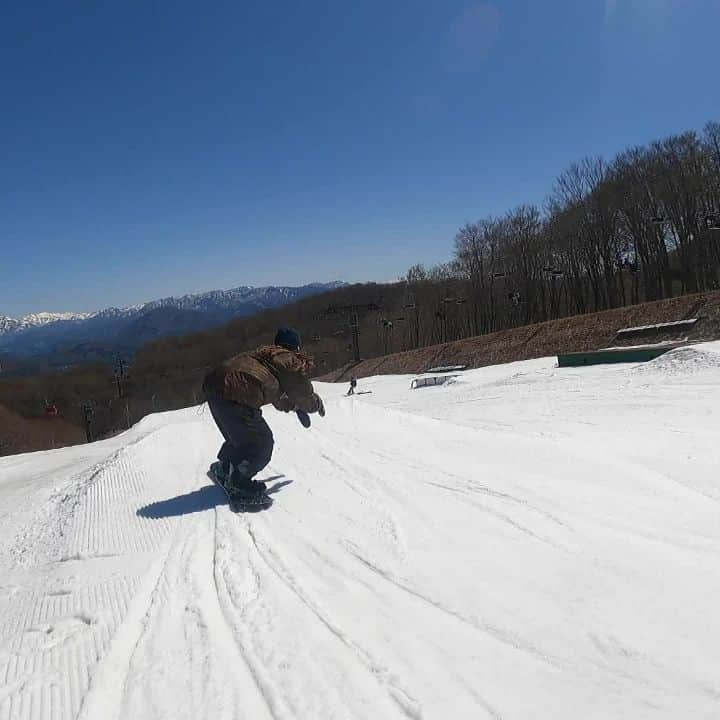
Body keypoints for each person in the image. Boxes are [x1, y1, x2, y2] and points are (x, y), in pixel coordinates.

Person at [202, 327, 325, 502]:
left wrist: (295, 406)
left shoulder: (264, 357)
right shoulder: (289, 360)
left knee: (239, 436)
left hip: (214, 386)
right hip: (236, 393)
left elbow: (278, 395)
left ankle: (226, 466)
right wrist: (314, 404)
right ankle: (239, 482)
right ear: (295, 347)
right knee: (261, 443)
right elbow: (302, 392)